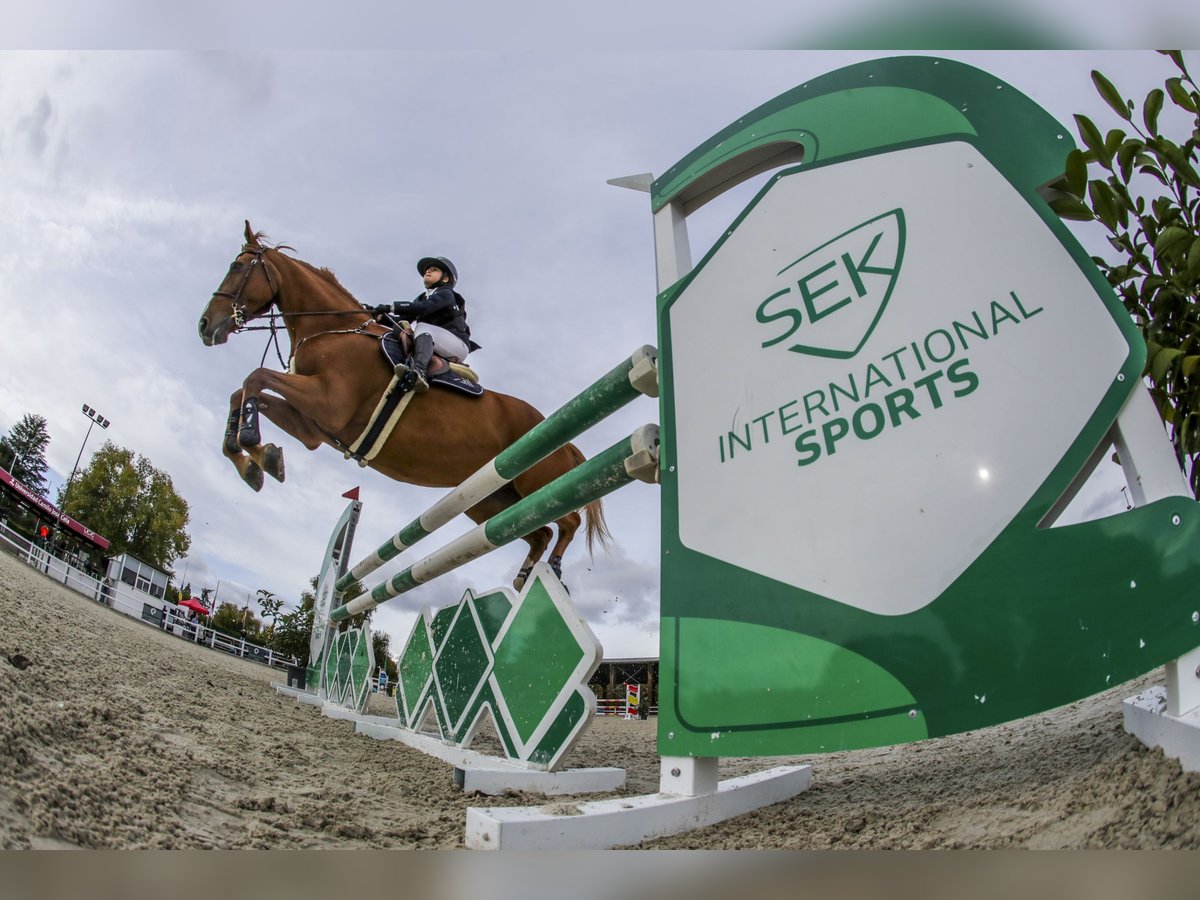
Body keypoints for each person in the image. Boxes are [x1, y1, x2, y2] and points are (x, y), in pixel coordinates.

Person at [370, 256, 479, 392]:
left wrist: (390, 307)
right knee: (404, 329)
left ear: (445, 279)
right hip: (436, 339)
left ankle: (419, 371)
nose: (427, 272)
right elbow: (400, 322)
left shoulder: (446, 293)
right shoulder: (423, 297)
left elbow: (424, 308)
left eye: (434, 270)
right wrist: (376, 315)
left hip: (457, 345)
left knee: (421, 327)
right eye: (427, 270)